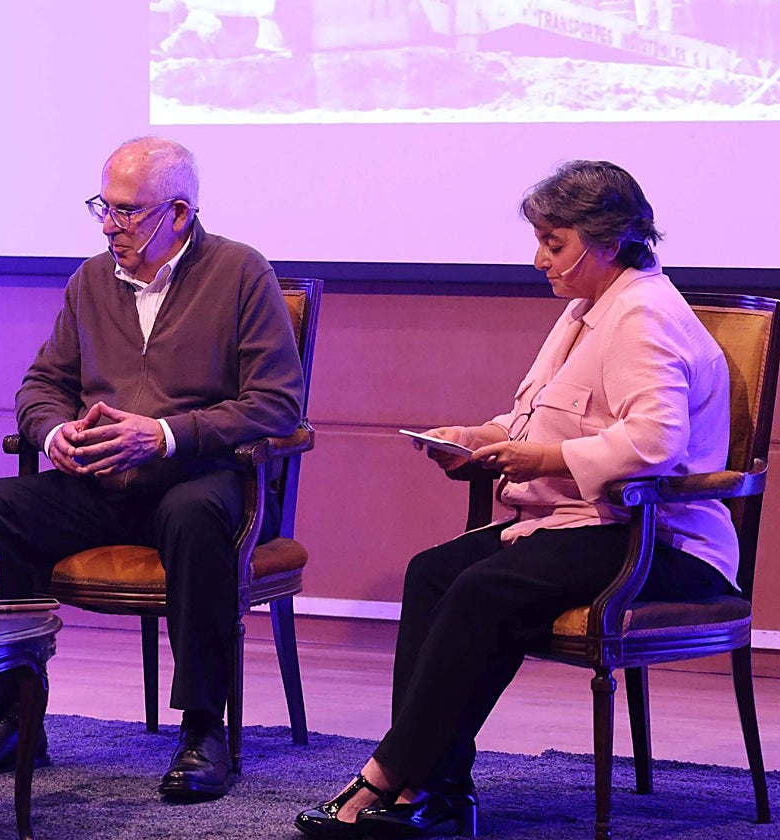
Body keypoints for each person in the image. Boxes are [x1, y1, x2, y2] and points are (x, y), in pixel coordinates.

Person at [295, 160, 739, 838]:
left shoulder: (644, 316)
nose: (538, 260)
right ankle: (440, 790)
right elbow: (538, 418)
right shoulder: (586, 308)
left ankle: (392, 777)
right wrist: (477, 438)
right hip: (589, 524)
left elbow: (653, 443)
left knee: (484, 591)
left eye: (553, 243)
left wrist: (540, 459)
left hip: (664, 542)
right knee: (433, 573)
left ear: (609, 241)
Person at [0, 136, 304, 801]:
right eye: (105, 206)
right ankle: (16, 714)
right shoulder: (91, 280)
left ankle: (201, 730)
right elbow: (41, 383)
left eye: (128, 211)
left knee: (193, 517)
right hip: (103, 483)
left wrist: (163, 436)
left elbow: (277, 405)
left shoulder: (242, 273)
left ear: (180, 214)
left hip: (205, 478)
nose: (110, 225)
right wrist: (54, 434)